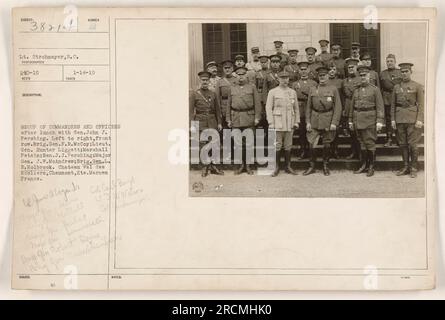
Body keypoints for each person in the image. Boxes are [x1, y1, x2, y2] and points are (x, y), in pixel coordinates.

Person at [304, 66, 342, 176]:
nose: (322, 78)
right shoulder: (313, 89)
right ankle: (312, 166)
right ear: (318, 77)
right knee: (312, 143)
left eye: (324, 75)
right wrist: (308, 122)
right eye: (320, 76)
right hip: (314, 119)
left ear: (327, 76)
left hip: (328, 119)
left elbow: (338, 107)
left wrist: (334, 122)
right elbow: (308, 107)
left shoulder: (333, 89)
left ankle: (325, 165)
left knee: (327, 144)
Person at [348, 65, 384, 177]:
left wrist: (379, 121)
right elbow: (352, 107)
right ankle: (363, 165)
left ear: (369, 76)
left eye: (365, 75)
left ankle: (371, 166)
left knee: (370, 143)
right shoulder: (356, 91)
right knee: (361, 143)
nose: (363, 77)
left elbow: (380, 106)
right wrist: (350, 121)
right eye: (361, 75)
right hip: (358, 119)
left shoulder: (375, 89)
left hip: (370, 120)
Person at [391, 62, 424, 178]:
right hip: (400, 118)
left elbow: (421, 104)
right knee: (402, 144)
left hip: (412, 119)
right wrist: (393, 119)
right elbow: (393, 105)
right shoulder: (396, 87)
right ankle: (405, 166)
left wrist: (420, 119)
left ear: (411, 72)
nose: (404, 74)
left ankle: (414, 167)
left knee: (413, 145)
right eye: (402, 72)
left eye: (406, 71)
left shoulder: (417, 86)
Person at [227, 67, 262, 175]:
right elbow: (228, 104)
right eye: (238, 75)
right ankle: (241, 165)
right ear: (235, 76)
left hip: (249, 117)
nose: (241, 77)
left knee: (249, 143)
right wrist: (228, 119)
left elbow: (257, 104)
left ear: (246, 75)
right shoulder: (231, 88)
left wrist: (257, 117)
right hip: (236, 118)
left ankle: (248, 165)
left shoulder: (252, 87)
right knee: (238, 144)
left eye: (243, 74)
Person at [265, 71, 300, 177]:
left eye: (286, 78)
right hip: (277, 122)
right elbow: (268, 108)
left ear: (289, 79)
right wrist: (270, 122)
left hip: (289, 122)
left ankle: (288, 166)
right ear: (278, 79)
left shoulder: (292, 92)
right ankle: (276, 167)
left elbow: (296, 108)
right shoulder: (273, 92)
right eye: (282, 78)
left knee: (288, 145)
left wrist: (296, 121)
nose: (285, 80)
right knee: (277, 145)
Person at [189, 71, 223, 177]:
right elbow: (190, 111)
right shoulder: (195, 94)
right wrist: (192, 125)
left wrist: (219, 123)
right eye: (203, 80)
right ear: (200, 81)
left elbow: (218, 110)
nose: (205, 82)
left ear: (209, 81)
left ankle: (213, 166)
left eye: (206, 80)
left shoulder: (213, 94)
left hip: (212, 121)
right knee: (203, 145)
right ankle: (204, 166)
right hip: (200, 121)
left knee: (213, 144)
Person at [292, 61, 317, 159]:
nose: (303, 71)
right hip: (300, 108)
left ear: (309, 70)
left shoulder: (314, 83)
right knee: (301, 131)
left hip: (310, 108)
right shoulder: (295, 84)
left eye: (305, 69)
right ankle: (303, 151)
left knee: (310, 131)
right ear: (298, 71)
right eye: (301, 70)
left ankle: (311, 151)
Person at [380, 54, 402, 147]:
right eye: (388, 61)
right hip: (387, 98)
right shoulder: (382, 73)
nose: (389, 63)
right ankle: (389, 138)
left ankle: (398, 138)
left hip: (397, 98)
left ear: (395, 62)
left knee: (397, 118)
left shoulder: (400, 72)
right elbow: (380, 87)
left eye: (391, 61)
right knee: (388, 119)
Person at [342, 58, 361, 159]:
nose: (350, 69)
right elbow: (343, 96)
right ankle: (353, 151)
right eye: (349, 67)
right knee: (351, 132)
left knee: (359, 131)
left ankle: (360, 153)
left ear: (356, 68)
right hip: (348, 106)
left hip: (358, 106)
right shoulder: (344, 81)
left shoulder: (360, 79)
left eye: (352, 67)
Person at [326, 62, 344, 159]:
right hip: (327, 109)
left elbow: (343, 96)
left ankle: (335, 149)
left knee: (336, 130)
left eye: (333, 69)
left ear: (336, 71)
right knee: (327, 131)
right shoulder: (325, 81)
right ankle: (328, 150)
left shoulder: (340, 82)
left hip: (337, 108)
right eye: (329, 69)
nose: (331, 71)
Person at [215, 60, 238, 128]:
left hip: (235, 106)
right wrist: (219, 111)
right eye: (225, 68)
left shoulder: (236, 80)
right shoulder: (220, 82)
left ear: (232, 69)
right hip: (224, 107)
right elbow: (217, 98)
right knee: (226, 130)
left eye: (229, 68)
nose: (227, 69)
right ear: (223, 69)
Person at [254, 55, 270, 129]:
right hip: (260, 96)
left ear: (268, 62)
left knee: (269, 118)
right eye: (262, 62)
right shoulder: (257, 73)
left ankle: (270, 140)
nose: (263, 64)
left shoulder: (270, 73)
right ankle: (260, 140)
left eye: (265, 62)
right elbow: (255, 86)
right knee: (260, 116)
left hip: (269, 95)